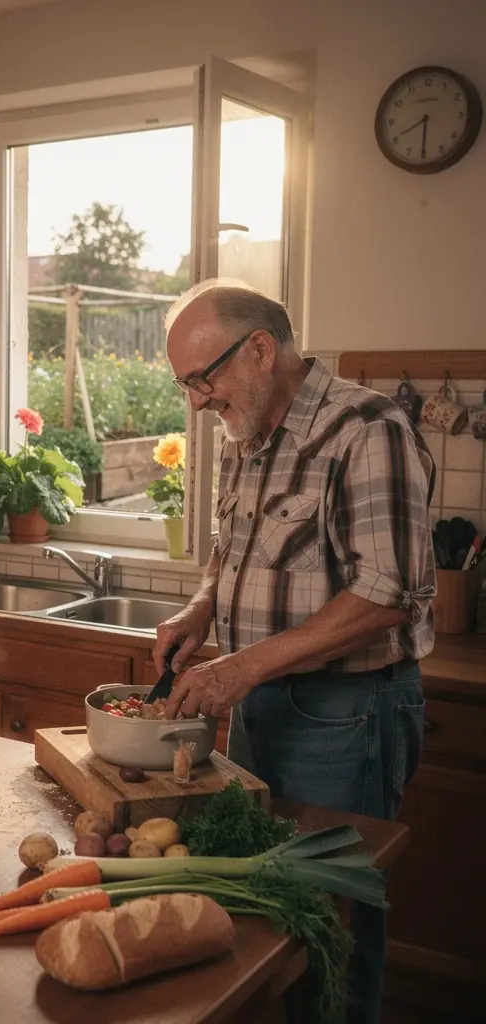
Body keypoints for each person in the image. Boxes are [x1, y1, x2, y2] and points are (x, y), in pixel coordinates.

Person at [152, 280, 434, 1024]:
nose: (197, 401)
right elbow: (231, 550)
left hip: (347, 717)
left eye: (200, 379)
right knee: (270, 913)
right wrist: (199, 608)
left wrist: (241, 667)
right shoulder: (247, 433)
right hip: (259, 706)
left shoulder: (367, 428)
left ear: (260, 349)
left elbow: (387, 593)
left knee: (331, 922)